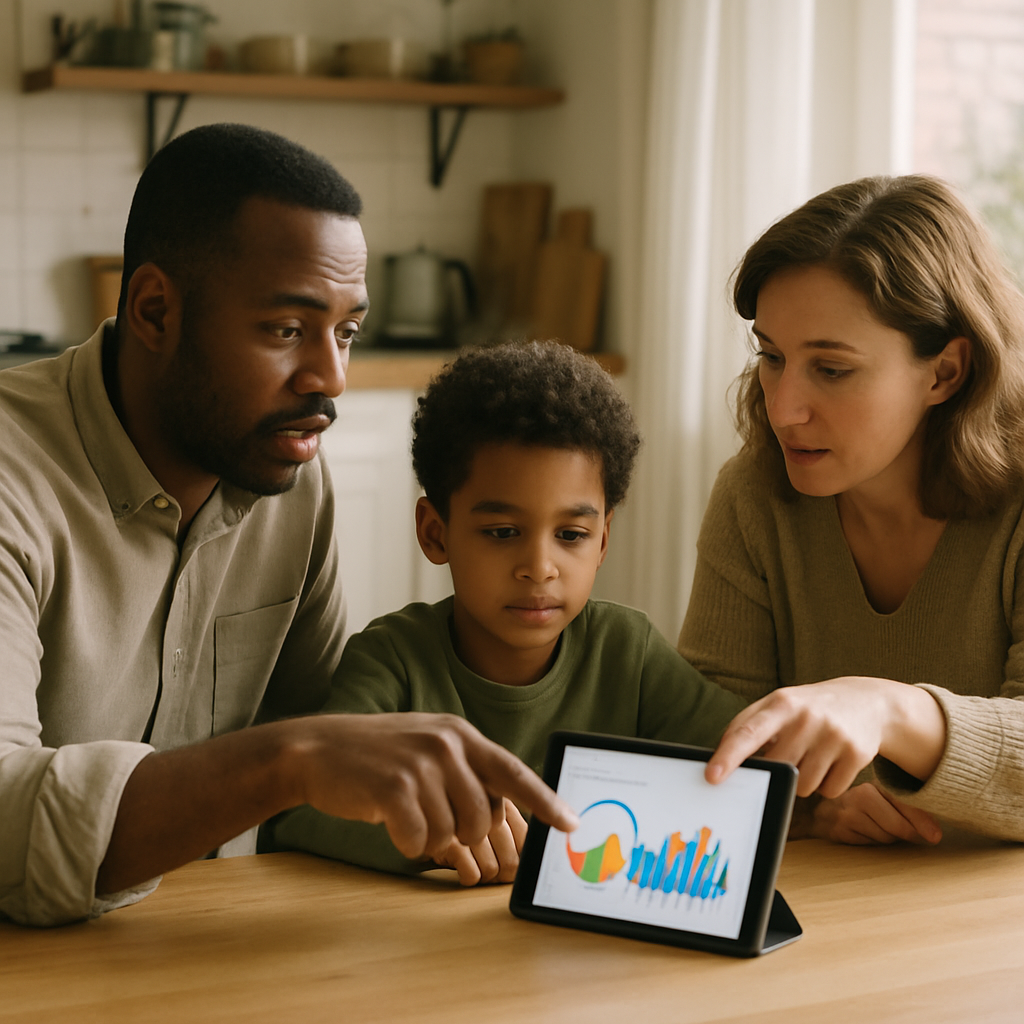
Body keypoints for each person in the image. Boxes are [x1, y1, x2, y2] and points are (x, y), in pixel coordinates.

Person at [0, 124, 576, 928]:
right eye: (285, 330)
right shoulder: (11, 479)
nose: (330, 378)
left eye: (346, 331)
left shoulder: (293, 480)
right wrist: (290, 758)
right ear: (155, 310)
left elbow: (325, 763)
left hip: (190, 948)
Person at [265, 341, 748, 885]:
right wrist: (424, 834)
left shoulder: (627, 651)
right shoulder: (393, 660)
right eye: (502, 533)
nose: (540, 567)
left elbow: (743, 764)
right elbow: (297, 813)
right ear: (435, 531)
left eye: (571, 535)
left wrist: (823, 808)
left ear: (604, 539)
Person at [683, 174, 1024, 845]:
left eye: (831, 370)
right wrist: (810, 811)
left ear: (944, 373)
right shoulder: (754, 497)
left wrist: (890, 710)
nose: (783, 409)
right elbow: (707, 738)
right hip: (849, 915)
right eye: (772, 357)